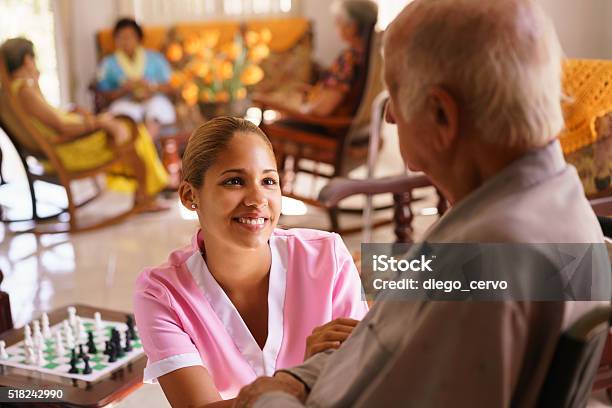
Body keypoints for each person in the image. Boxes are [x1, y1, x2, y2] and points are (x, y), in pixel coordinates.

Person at [234, 0, 610, 407]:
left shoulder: (488, 256)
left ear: (441, 114)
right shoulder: (557, 202)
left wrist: (271, 395)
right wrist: (306, 373)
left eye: (394, 93)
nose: (392, 116)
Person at [133, 117, 368, 406]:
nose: (258, 199)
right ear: (190, 195)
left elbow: (363, 380)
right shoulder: (161, 293)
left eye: (269, 181)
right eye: (234, 181)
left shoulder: (328, 256)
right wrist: (301, 380)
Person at [0, 37, 168, 205]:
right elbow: (62, 127)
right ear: (27, 60)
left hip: (61, 147)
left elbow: (49, 120)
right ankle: (146, 195)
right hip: (67, 152)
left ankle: (146, 192)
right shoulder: (24, 92)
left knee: (124, 126)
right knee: (133, 131)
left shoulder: (14, 93)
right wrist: (98, 123)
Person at [257, 0, 378, 117]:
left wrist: (297, 108)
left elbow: (322, 109)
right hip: (338, 120)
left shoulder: (349, 60)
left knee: (268, 109)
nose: (336, 26)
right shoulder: (370, 55)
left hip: (325, 127)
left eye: (338, 22)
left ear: (352, 26)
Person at [97, 17, 176, 137]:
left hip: (153, 99)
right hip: (126, 102)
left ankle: (145, 148)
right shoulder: (108, 64)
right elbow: (104, 94)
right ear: (115, 40)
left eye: (129, 37)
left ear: (138, 38)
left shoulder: (155, 58)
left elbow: (171, 86)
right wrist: (123, 90)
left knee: (157, 110)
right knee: (123, 116)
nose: (125, 41)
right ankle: (136, 151)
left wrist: (151, 87)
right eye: (120, 37)